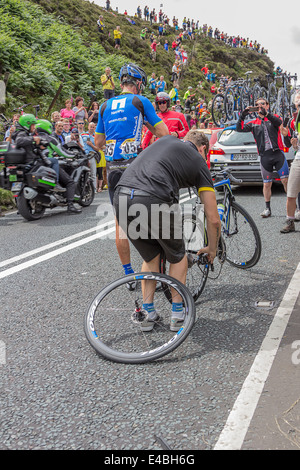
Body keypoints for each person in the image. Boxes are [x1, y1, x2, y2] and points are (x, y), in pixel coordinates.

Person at [113, 131, 221, 331]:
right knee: (177, 256)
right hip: (153, 197)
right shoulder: (198, 160)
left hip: (121, 196)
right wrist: (212, 249)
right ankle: (178, 314)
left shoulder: (165, 141)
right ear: (203, 148)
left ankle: (147, 313)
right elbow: (213, 219)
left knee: (151, 256)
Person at [94, 63, 168, 282]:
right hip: (135, 166)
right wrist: (147, 124)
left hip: (113, 168)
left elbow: (98, 141)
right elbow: (164, 133)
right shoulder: (140, 101)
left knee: (121, 223)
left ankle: (128, 273)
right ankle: (156, 262)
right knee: (153, 212)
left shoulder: (104, 106)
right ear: (137, 83)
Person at [14, 116, 81, 214]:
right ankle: (69, 204)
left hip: (30, 163)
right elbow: (62, 151)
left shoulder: (25, 135)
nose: (34, 127)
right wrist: (75, 154)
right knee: (69, 181)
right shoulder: (46, 138)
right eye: (32, 125)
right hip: (42, 162)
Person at [237, 98, 289, 217]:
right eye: (257, 105)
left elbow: (279, 122)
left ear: (267, 105)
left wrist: (267, 114)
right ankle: (267, 209)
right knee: (266, 184)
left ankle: (294, 208)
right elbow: (239, 128)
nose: (259, 106)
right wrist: (243, 115)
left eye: (262, 104)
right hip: (265, 156)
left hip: (277, 154)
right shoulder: (254, 123)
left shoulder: (273, 117)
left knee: (285, 181)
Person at [280, 93, 300, 232]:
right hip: (299, 158)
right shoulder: (294, 121)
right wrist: (293, 144)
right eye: (297, 102)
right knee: (291, 192)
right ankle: (290, 221)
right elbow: (290, 143)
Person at [81, 122, 99, 191]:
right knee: (84, 173)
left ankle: (94, 190)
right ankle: (84, 189)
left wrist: (91, 145)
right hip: (84, 156)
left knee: (93, 174)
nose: (92, 128)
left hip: (92, 156)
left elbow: (98, 149)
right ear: (88, 127)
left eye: (93, 127)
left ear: (95, 128)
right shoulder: (83, 134)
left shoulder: (96, 136)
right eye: (90, 126)